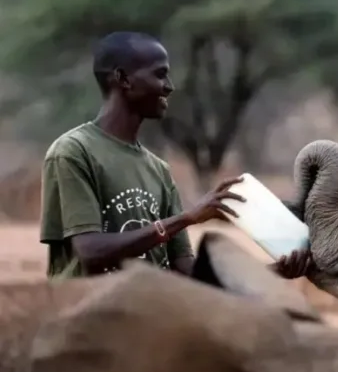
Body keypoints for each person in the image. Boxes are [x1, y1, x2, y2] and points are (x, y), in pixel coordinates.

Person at [40, 31, 245, 279]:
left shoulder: (159, 170)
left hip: (145, 314)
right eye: (160, 74)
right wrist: (186, 218)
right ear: (123, 78)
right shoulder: (73, 151)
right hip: (90, 314)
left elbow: (185, 272)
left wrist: (270, 274)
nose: (169, 87)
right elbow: (90, 251)